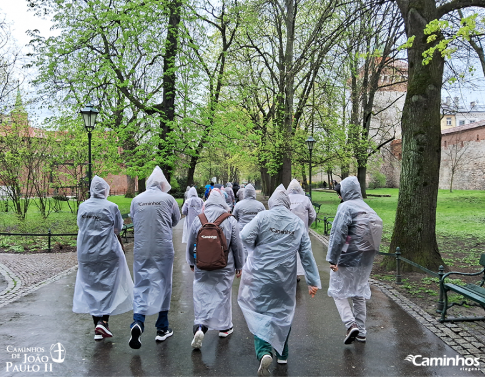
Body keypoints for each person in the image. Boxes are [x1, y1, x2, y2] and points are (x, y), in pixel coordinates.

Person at [238, 184, 321, 376]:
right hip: (285, 277)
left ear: (272, 202)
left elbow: (244, 236)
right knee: (283, 313)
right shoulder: (297, 223)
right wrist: (312, 281)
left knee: (260, 311)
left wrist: (255, 249)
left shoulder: (262, 217)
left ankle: (264, 351)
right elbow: (306, 255)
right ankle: (283, 354)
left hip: (261, 275)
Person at [73, 176, 133, 341]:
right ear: (105, 190)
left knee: (90, 286)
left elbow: (80, 225)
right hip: (107, 252)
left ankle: (97, 326)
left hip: (86, 253)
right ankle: (103, 321)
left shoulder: (83, 206)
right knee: (109, 285)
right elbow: (118, 228)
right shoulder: (111, 206)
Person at [128, 166, 181, 349]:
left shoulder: (136, 200)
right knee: (164, 285)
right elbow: (175, 220)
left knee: (141, 285)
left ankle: (138, 322)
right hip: (163, 249)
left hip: (142, 250)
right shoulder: (169, 199)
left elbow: (134, 219)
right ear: (162, 184)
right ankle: (162, 328)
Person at [326, 176, 383, 345]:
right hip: (366, 258)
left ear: (345, 192)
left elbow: (338, 234)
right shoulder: (367, 207)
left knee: (337, 290)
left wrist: (332, 258)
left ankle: (351, 325)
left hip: (348, 256)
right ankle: (362, 332)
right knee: (358, 292)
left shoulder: (346, 207)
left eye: (340, 193)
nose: (339, 197)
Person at [186, 189, 244, 349]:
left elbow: (191, 243)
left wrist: (192, 261)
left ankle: (200, 325)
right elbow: (237, 246)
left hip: (202, 264)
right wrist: (240, 265)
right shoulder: (230, 219)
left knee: (201, 292)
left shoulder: (199, 219)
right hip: (224, 265)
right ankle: (224, 327)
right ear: (223, 202)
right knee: (222, 294)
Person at [286, 179, 316, 280]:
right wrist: (307, 225)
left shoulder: (286, 199)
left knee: (289, 251)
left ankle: (290, 271)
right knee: (302, 251)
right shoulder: (305, 199)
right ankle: (298, 273)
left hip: (288, 230)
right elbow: (312, 215)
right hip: (302, 229)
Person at [232, 184, 265, 260]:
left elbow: (234, 218)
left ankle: (244, 265)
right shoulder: (260, 205)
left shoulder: (238, 205)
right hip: (256, 231)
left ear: (245, 193)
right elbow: (264, 219)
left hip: (242, 231)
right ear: (254, 193)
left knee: (243, 250)